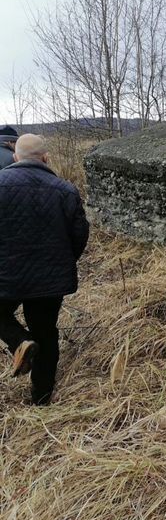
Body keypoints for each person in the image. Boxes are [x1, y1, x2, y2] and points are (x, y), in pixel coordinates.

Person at [0, 134, 89, 405]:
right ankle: (41, 398)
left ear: (15, 157)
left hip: (6, 275)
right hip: (50, 279)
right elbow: (80, 234)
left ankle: (18, 341)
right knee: (46, 333)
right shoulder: (66, 189)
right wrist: (62, 261)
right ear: (45, 158)